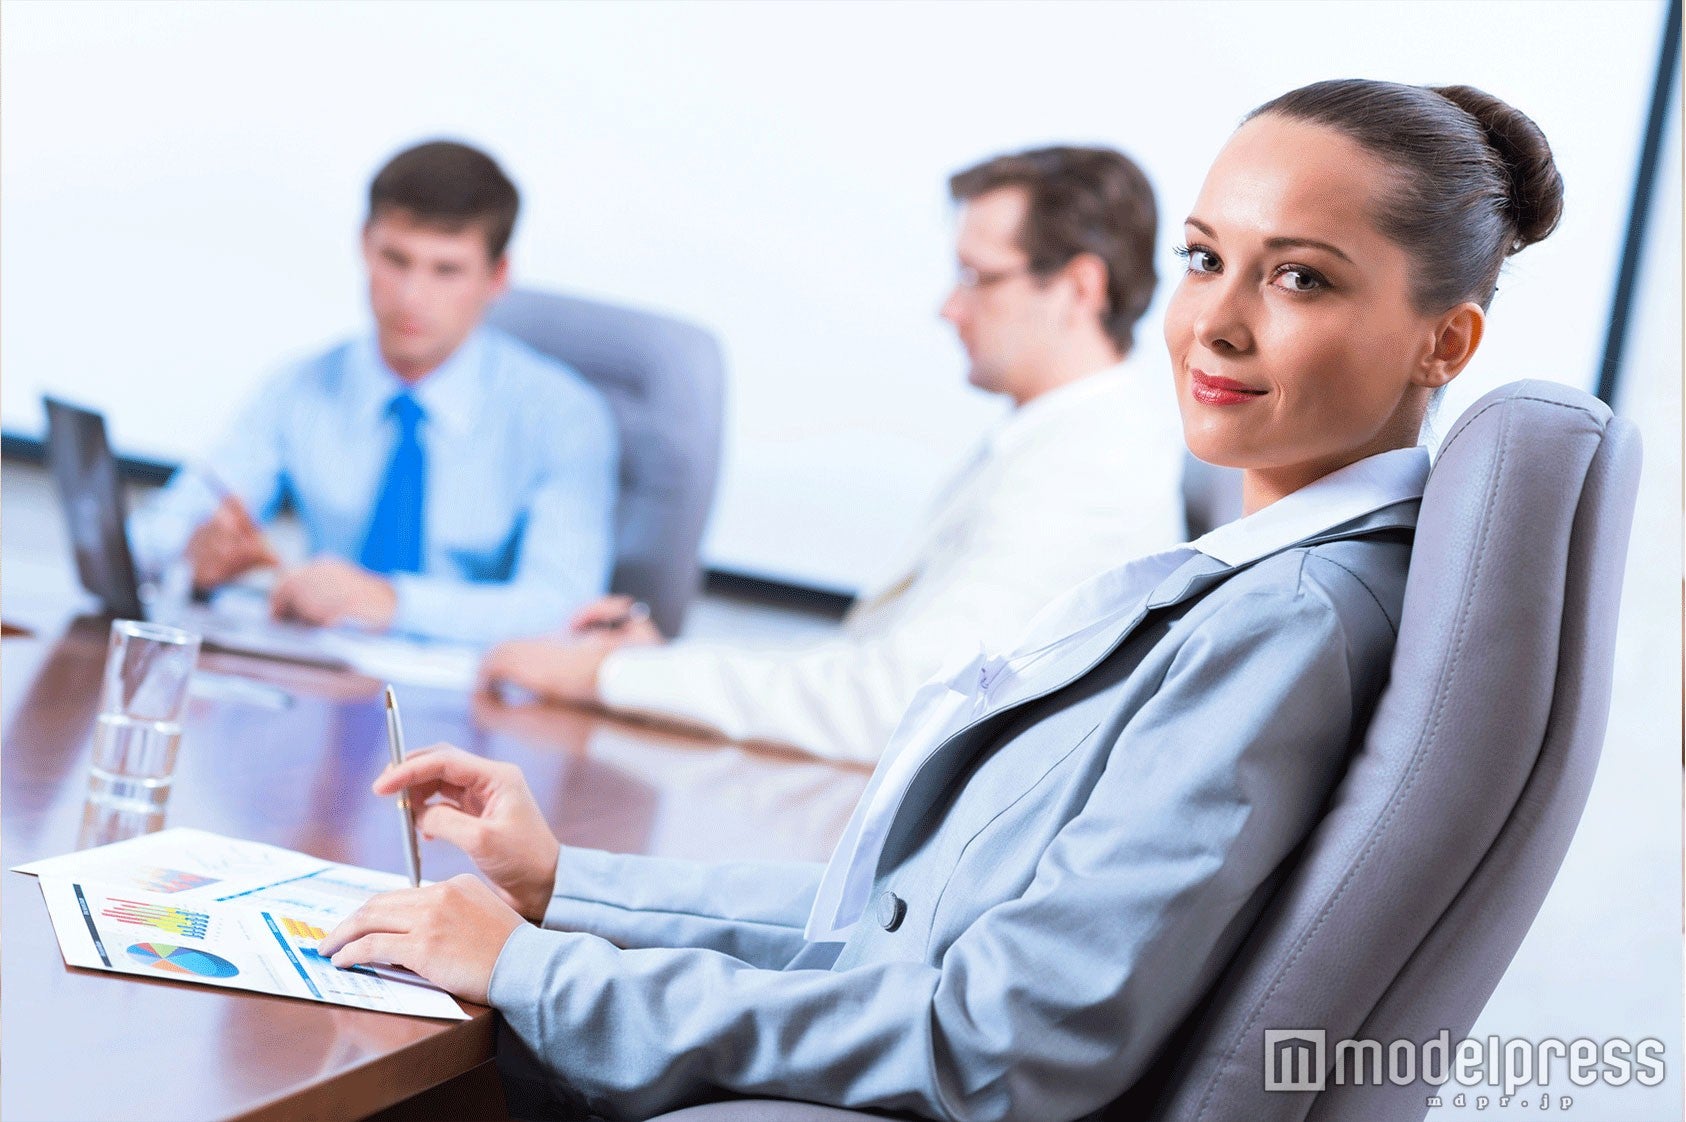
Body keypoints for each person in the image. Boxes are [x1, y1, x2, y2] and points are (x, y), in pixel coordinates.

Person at [322, 79, 1563, 1121]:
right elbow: (913, 916)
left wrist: (544, 972)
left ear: (1443, 345)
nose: (1213, 324)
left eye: (1299, 280)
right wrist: (568, 890)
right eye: (1205, 259)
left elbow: (999, 1039)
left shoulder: (1288, 620)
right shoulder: (1257, 585)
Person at [480, 145, 1186, 762]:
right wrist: (663, 668)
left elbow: (895, 702)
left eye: (977, 276)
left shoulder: (1092, 470)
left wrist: (605, 678)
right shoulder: (1052, 438)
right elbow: (878, 664)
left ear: (1079, 287)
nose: (950, 306)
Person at [129, 141, 618, 645]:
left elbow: (564, 607)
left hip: (469, 697)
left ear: (497, 277)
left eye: (445, 270)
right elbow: (162, 527)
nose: (412, 296)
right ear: (365, 244)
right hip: (317, 681)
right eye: (395, 259)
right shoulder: (302, 386)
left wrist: (390, 602)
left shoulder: (564, 417)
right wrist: (193, 549)